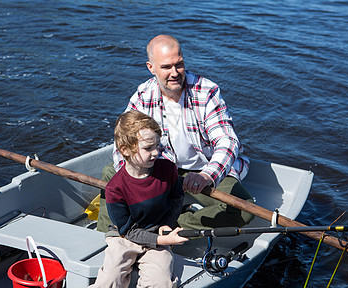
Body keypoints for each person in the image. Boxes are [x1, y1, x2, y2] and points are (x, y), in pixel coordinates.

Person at [97, 34, 254, 233]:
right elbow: (123, 145)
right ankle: (108, 235)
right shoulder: (142, 96)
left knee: (242, 210)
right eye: (166, 67)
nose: (175, 73)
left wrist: (207, 175)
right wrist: (133, 184)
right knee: (111, 173)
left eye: (179, 64)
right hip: (159, 166)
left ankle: (172, 225)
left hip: (201, 169)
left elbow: (227, 141)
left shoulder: (206, 91)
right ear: (151, 67)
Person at [85, 110, 188, 288]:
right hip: (124, 236)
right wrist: (163, 241)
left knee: (161, 283)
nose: (156, 152)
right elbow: (128, 231)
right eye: (148, 148)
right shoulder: (115, 188)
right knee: (110, 278)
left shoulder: (168, 169)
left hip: (157, 232)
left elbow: (176, 197)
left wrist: (168, 224)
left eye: (157, 145)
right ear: (125, 150)